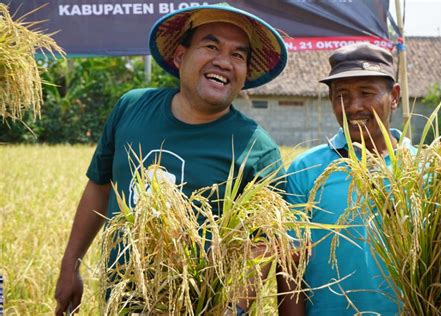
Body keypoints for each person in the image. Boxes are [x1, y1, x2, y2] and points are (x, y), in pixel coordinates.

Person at [54, 4, 288, 315]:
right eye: (211, 46)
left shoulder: (258, 150)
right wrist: (71, 264)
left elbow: (262, 244)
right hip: (120, 303)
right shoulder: (131, 108)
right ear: (180, 57)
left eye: (238, 55)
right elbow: (100, 186)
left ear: (245, 75)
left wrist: (235, 308)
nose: (224, 61)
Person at [279, 43, 415, 315]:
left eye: (366, 93)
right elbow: (290, 269)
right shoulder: (305, 171)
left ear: (395, 96)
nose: (354, 107)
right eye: (341, 95)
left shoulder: (423, 169)